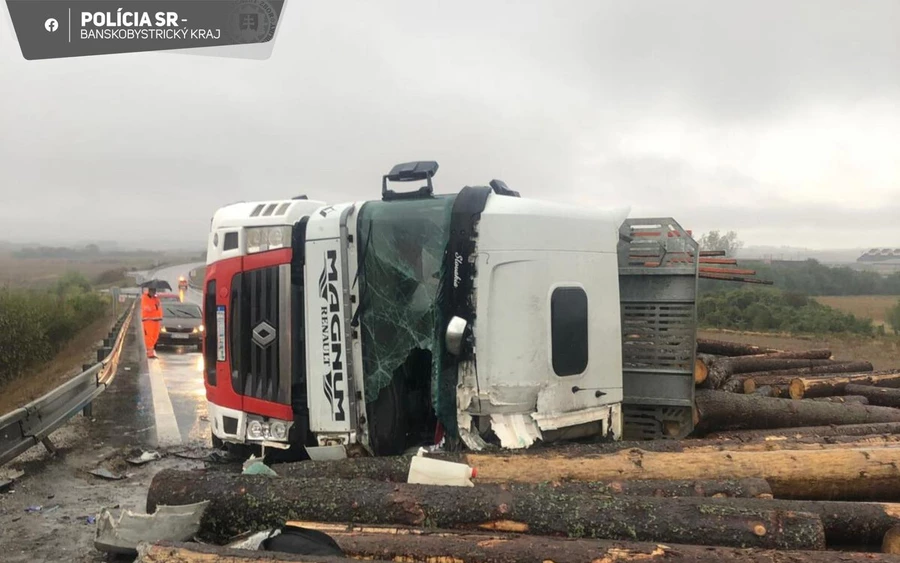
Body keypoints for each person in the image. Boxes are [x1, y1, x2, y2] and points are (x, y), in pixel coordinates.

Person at [142, 285, 164, 359]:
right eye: (152, 290)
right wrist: (155, 307)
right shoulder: (144, 298)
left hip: (157, 320)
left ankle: (151, 351)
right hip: (148, 320)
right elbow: (147, 308)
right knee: (149, 337)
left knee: (155, 337)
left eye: (154, 290)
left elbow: (159, 307)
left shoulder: (156, 298)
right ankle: (149, 353)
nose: (154, 292)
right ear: (149, 290)